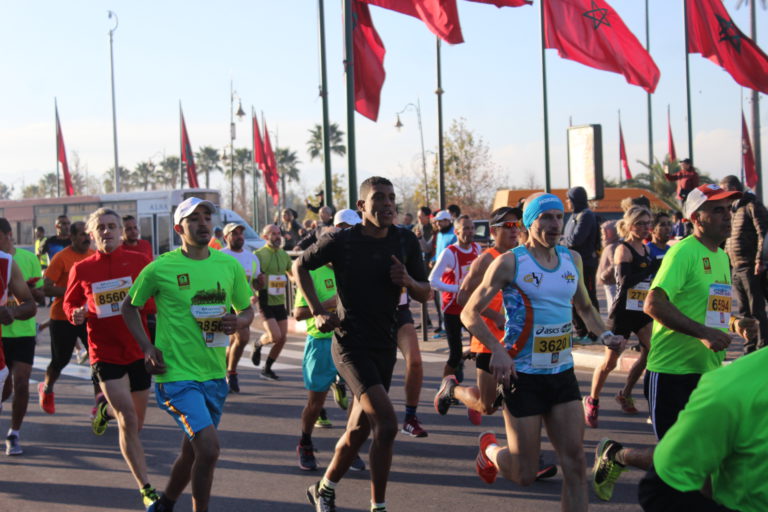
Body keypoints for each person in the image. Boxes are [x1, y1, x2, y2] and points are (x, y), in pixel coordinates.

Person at [591, 184, 757, 502]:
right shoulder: (683, 252)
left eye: (729, 210)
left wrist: (734, 323)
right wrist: (704, 334)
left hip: (707, 375)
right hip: (671, 374)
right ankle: (617, 455)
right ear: (696, 217)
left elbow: (711, 308)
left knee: (708, 460)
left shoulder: (721, 256)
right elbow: (653, 304)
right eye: (718, 210)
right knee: (681, 461)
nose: (727, 217)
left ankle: (619, 455)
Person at [459, 193, 624, 512]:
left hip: (561, 373)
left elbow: (586, 307)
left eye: (559, 217)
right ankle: (491, 451)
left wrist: (604, 333)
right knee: (524, 474)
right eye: (545, 217)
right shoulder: (510, 262)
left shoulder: (571, 259)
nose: (554, 224)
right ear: (529, 223)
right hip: (523, 376)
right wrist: (498, 350)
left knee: (575, 464)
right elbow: (469, 312)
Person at [294, 176, 430, 512]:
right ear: (362, 206)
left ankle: (323, 489)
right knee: (386, 424)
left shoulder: (404, 241)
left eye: (391, 198)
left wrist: (408, 281)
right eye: (378, 198)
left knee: (358, 430)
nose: (387, 204)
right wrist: (316, 311)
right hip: (349, 344)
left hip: (383, 345)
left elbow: (425, 292)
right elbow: (299, 265)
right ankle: (378, 506)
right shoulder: (342, 241)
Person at [122, 196, 254, 512]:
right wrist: (147, 346)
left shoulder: (228, 264)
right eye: (194, 219)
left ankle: (165, 503)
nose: (203, 223)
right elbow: (129, 307)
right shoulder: (160, 268)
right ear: (180, 228)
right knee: (208, 449)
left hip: (213, 373)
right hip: (176, 376)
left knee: (193, 452)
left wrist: (239, 321)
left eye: (207, 217)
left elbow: (247, 310)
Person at [62, 208, 160, 510]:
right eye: (101, 227)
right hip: (104, 352)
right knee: (128, 419)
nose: (107, 232)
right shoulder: (82, 268)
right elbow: (70, 304)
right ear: (92, 234)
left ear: (121, 231)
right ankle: (145, 487)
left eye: (112, 226)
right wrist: (75, 314)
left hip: (137, 349)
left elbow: (155, 303)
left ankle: (103, 410)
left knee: (136, 424)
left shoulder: (140, 262)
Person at [638, 348, 768, 512]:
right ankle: (621, 455)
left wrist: (733, 321)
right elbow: (663, 489)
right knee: (684, 459)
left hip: (708, 367)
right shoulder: (733, 389)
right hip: (672, 368)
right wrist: (702, 332)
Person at [585, 206, 656, 427]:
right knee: (609, 362)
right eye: (640, 224)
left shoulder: (645, 250)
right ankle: (592, 400)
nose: (645, 228)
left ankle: (625, 393)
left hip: (642, 311)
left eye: (647, 223)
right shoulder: (622, 250)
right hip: (623, 312)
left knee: (653, 352)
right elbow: (625, 281)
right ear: (629, 225)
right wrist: (650, 270)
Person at [451, 207, 521, 423]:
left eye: (517, 225)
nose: (514, 230)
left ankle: (524, 453)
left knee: (517, 399)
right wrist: (495, 315)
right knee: (487, 405)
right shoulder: (485, 260)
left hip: (515, 342)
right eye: (508, 226)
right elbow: (463, 299)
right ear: (493, 231)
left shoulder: (521, 257)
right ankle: (452, 389)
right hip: (488, 341)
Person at [38, 221, 95, 414]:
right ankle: (47, 388)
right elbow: (46, 288)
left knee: (97, 360)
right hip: (62, 317)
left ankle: (100, 402)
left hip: (88, 316)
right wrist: (73, 293)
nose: (86, 238)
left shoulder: (94, 256)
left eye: (88, 234)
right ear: (72, 237)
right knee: (60, 361)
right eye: (82, 234)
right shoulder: (61, 258)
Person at [0, 218, 44, 456]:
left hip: (22, 332)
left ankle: (14, 433)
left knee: (22, 382)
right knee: (5, 388)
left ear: (8, 235)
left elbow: (36, 300)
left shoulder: (23, 260)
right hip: (1, 336)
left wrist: (15, 309)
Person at [720, 174, 768, 354]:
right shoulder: (733, 210)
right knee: (743, 312)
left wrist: (760, 261)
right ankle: (749, 349)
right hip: (736, 267)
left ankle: (763, 348)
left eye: (724, 191)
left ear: (733, 189)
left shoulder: (752, 206)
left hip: (751, 266)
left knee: (757, 311)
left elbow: (764, 234)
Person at [429, 216, 481, 381]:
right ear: (457, 231)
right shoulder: (450, 252)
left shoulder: (477, 249)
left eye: (472, 228)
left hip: (471, 308)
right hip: (452, 308)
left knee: (480, 349)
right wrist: (458, 289)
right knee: (455, 354)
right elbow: (433, 280)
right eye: (465, 228)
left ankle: (482, 388)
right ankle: (446, 388)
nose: (470, 232)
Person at [218, 222, 262, 393]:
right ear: (226, 237)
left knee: (242, 338)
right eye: (234, 233)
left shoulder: (251, 257)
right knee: (232, 340)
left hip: (241, 305)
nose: (239, 236)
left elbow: (256, 282)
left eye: (240, 233)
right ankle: (227, 371)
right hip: (222, 303)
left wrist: (258, 286)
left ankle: (231, 371)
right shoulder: (219, 256)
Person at [253, 224, 293, 380]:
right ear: (265, 237)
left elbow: (291, 274)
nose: (278, 236)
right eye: (273, 234)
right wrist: (253, 289)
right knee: (275, 336)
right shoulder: (258, 254)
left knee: (282, 338)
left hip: (279, 300)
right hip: (265, 300)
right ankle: (258, 343)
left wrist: (298, 281)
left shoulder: (283, 254)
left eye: (278, 233)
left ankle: (267, 368)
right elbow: (252, 278)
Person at [564, 186, 599, 341]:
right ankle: (582, 332)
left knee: (588, 298)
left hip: (585, 264)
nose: (567, 202)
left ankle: (595, 333)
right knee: (572, 299)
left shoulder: (586, 216)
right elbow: (567, 239)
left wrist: (561, 242)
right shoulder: (574, 216)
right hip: (570, 264)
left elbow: (575, 240)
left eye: (568, 199)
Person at [596, 220, 619, 308]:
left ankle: (612, 320)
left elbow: (615, 264)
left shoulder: (612, 247)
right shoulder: (610, 246)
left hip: (611, 281)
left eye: (604, 234)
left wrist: (604, 275)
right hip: (609, 281)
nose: (602, 236)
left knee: (612, 303)